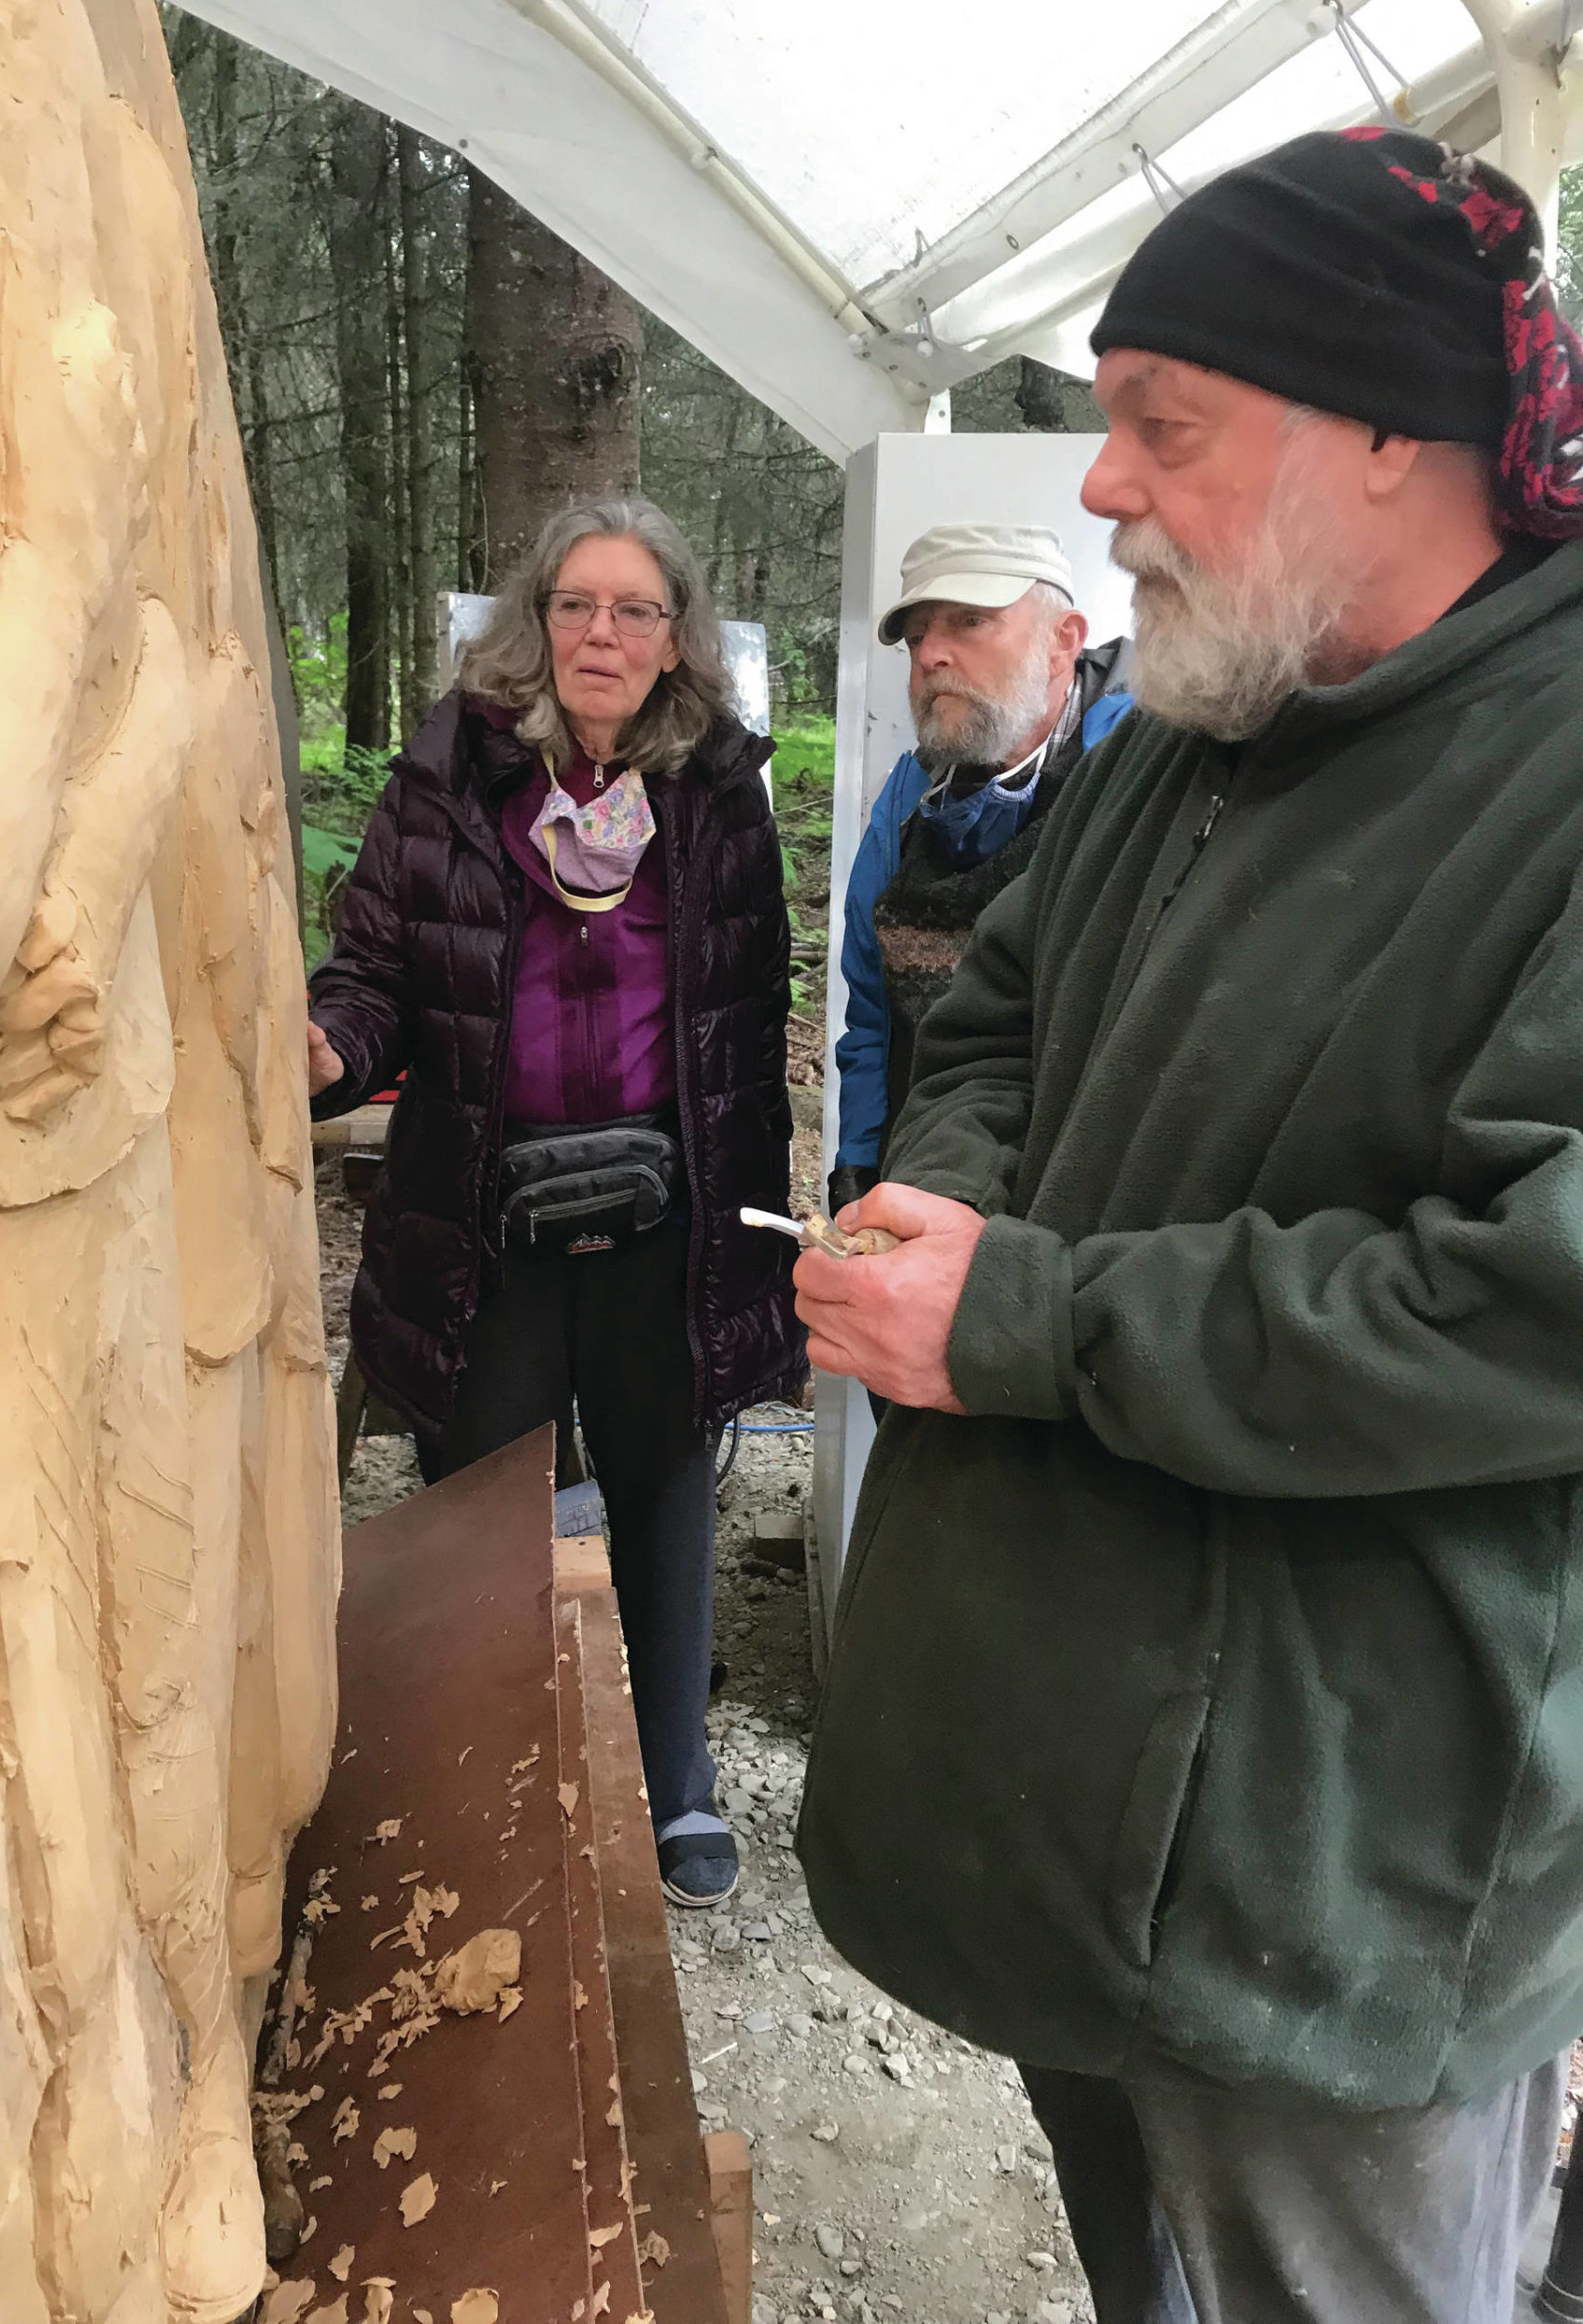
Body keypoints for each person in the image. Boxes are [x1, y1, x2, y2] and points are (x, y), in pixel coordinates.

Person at [793, 126, 1583, 2324]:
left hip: (1332, 1872)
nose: (1103, 489)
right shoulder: (1191, 711)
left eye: (1164, 425)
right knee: (1138, 2251)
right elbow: (996, 1027)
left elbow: (1537, 1300)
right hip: (1069, 1792)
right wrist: (928, 1199)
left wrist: (1022, 1318)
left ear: (1389, 436)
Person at [307, 495, 805, 1908]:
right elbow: (376, 973)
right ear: (536, 624)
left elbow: (737, 1033)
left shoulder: (717, 792)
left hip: (666, 1211)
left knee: (661, 1487)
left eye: (635, 609)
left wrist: (750, 1228)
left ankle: (672, 1790)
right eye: (577, 604)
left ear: (676, 640)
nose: (603, 632)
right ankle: (484, 1778)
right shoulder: (451, 776)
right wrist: (331, 1045)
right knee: (479, 1506)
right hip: (483, 1211)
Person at [827, 524, 1131, 1217]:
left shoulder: (1137, 773)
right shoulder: (908, 797)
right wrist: (858, 1170)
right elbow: (873, 1014)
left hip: (1079, 1209)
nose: (933, 654)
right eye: (917, 636)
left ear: (1064, 639)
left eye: (970, 622)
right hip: (924, 1182)